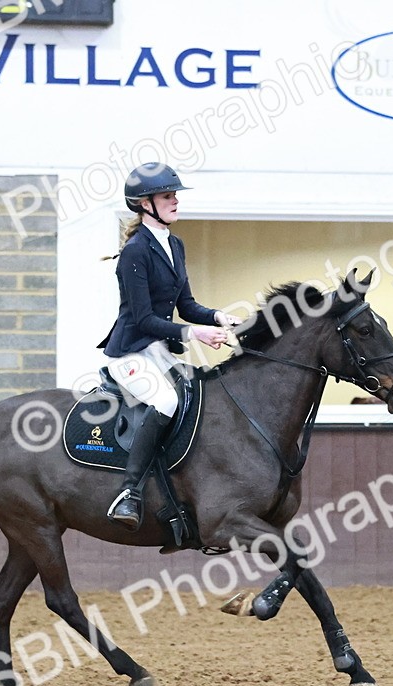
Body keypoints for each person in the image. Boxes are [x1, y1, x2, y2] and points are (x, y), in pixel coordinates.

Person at [97, 163, 242, 530]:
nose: (175, 201)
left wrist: (218, 316)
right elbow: (144, 319)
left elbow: (187, 306)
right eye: (167, 196)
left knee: (199, 396)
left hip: (157, 351)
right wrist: (195, 335)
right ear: (144, 204)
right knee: (167, 401)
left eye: (175, 195)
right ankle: (128, 492)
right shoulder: (135, 252)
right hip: (130, 352)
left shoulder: (175, 245)